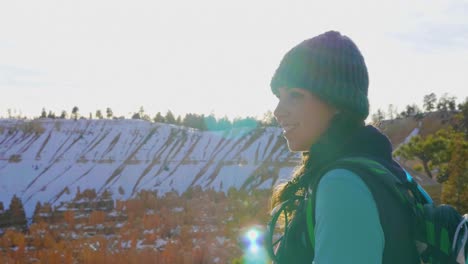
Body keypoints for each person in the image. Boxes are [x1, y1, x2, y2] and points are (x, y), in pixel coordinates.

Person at [267, 31, 420, 263]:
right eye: (279, 96)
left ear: (337, 102)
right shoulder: (388, 172)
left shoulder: (341, 185)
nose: (278, 111)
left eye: (295, 95)